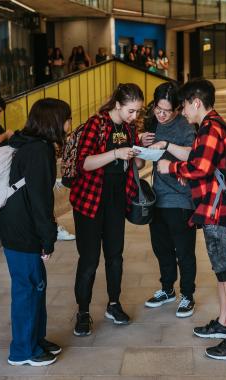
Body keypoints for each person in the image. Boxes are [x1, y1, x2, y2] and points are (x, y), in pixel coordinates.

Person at [157, 79, 226, 361]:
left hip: (219, 212)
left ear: (195, 102)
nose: (183, 111)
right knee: (223, 271)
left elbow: (200, 167)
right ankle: (225, 323)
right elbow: (202, 160)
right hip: (222, 211)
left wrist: (169, 167)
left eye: (185, 105)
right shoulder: (214, 125)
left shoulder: (210, 128)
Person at [0, 98, 72, 366]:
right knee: (27, 289)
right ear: (53, 121)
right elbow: (41, 201)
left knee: (36, 286)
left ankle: (36, 340)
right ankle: (22, 351)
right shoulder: (39, 150)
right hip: (22, 228)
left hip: (16, 223)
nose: (69, 123)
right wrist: (48, 239)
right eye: (66, 117)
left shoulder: (26, 142)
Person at [70, 83, 145, 336]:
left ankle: (114, 304)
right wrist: (116, 153)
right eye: (131, 111)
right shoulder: (96, 124)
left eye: (137, 112)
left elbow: (137, 163)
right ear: (118, 105)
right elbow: (84, 163)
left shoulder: (129, 128)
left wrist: (142, 151)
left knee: (115, 256)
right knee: (89, 259)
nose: (135, 117)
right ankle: (83, 311)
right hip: (90, 201)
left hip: (116, 200)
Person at [144, 82, 197, 318]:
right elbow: (141, 162)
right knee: (161, 248)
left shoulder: (185, 126)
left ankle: (187, 294)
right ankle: (167, 289)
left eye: (167, 110)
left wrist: (166, 144)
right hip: (158, 197)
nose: (161, 114)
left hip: (181, 199)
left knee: (184, 251)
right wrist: (140, 144)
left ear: (177, 109)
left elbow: (192, 155)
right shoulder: (152, 121)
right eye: (158, 109)